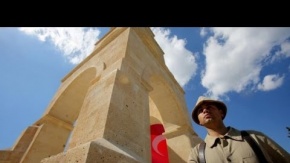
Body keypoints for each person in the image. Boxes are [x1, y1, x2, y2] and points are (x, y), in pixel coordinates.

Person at [188, 96, 290, 163]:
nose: (205, 110)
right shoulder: (197, 153)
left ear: (221, 113)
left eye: (209, 107)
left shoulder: (256, 137)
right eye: (201, 110)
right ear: (199, 121)